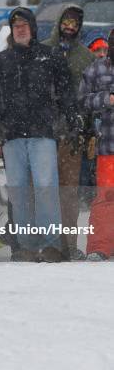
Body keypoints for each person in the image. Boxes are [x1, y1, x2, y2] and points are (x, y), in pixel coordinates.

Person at [0, 7, 81, 263]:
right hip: (11, 135)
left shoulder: (50, 57)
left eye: (24, 24)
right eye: (16, 25)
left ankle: (51, 245)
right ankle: (25, 245)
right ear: (11, 30)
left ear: (33, 28)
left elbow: (66, 92)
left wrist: (72, 118)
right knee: (18, 192)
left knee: (46, 187)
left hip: (43, 133)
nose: (20, 28)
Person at [42, 4, 95, 261]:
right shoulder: (41, 49)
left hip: (72, 134)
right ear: (59, 22)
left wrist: (86, 129)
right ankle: (46, 244)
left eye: (75, 23)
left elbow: (88, 98)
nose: (70, 26)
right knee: (42, 189)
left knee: (69, 192)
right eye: (67, 21)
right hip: (42, 132)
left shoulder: (86, 57)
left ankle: (70, 244)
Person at [78, 28, 114, 261]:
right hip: (108, 146)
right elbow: (80, 100)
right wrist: (107, 99)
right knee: (105, 199)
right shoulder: (97, 68)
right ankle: (100, 246)